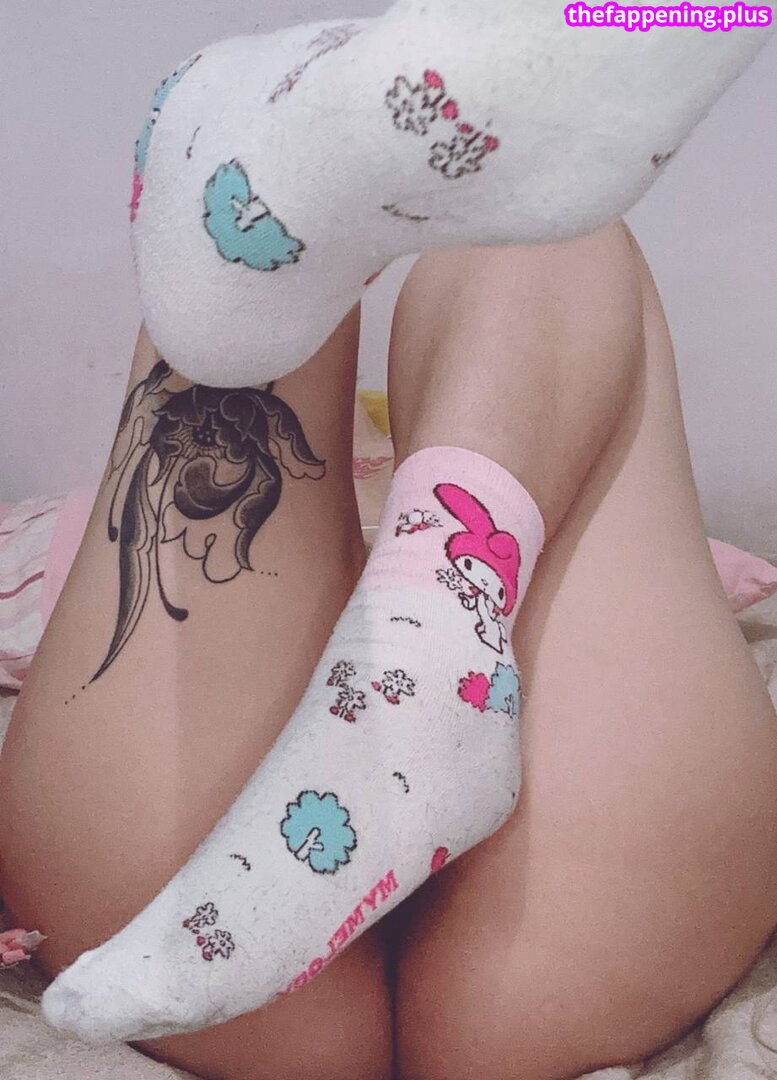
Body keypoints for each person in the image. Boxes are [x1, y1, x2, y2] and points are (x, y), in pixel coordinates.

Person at [1, 224, 776, 1080]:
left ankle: (426, 632)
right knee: (554, 220)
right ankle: (433, 624)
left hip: (176, 871)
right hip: (573, 915)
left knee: (275, 230)